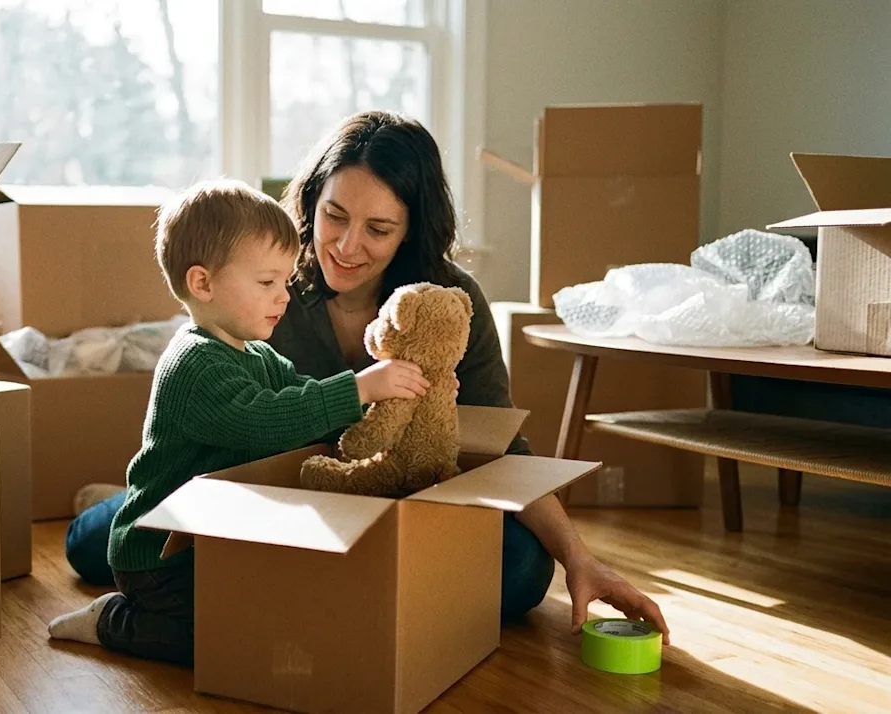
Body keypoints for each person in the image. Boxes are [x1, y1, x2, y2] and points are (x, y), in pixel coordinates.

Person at [64, 110, 670, 645]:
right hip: (277, 494)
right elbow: (243, 400)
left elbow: (500, 447)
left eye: (378, 229)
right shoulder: (273, 284)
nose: (347, 247)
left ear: (411, 230)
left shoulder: (447, 304)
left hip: (400, 502)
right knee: (101, 547)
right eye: (334, 216)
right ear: (310, 203)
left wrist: (579, 557)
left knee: (517, 575)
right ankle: (128, 499)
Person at [46, 178, 433, 665]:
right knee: (224, 639)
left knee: (278, 613)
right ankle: (114, 621)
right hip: (160, 555)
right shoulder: (193, 364)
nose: (283, 297)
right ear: (202, 283)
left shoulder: (259, 355)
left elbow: (302, 404)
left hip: (217, 539)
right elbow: (265, 421)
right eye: (267, 283)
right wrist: (359, 388)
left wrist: (387, 419)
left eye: (285, 282)